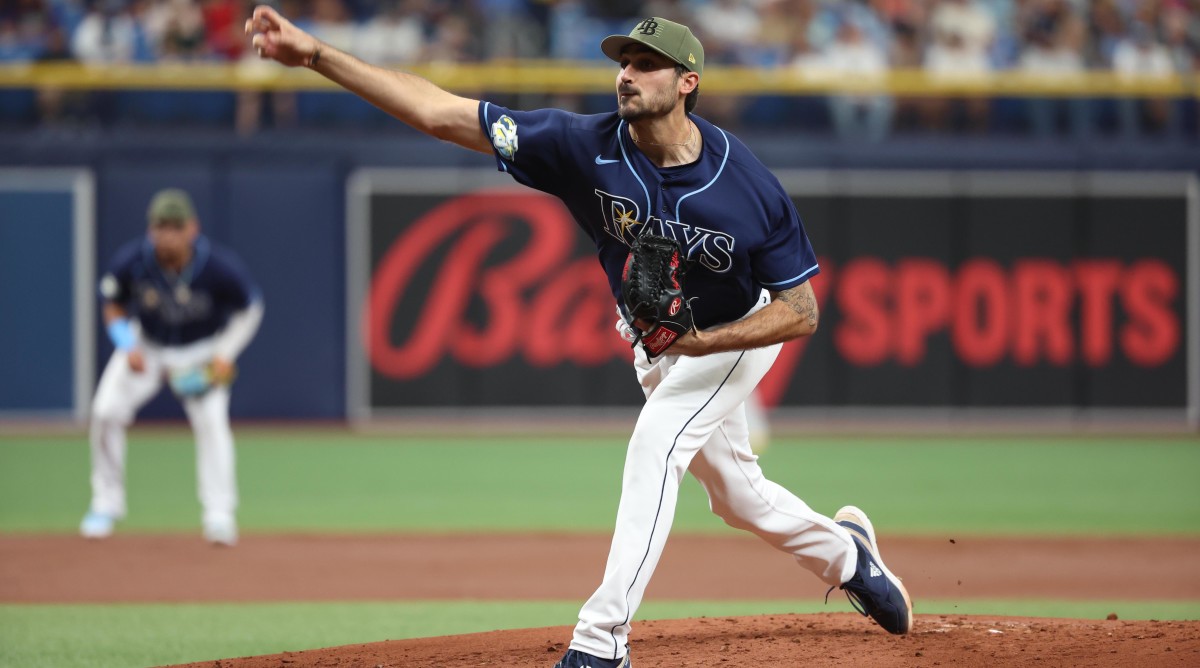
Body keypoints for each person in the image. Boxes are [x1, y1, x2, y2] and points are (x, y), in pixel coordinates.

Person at [246, 11, 912, 666]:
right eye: (623, 62)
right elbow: (439, 113)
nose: (626, 74)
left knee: (658, 440)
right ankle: (849, 554)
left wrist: (705, 344)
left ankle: (602, 640)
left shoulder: (747, 184)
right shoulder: (581, 145)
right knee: (738, 498)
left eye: (645, 65)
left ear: (687, 82)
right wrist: (314, 56)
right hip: (659, 346)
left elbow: (802, 311)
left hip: (736, 331)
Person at [79, 189, 264, 547]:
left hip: (200, 353)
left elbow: (251, 308)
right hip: (146, 348)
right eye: (160, 227)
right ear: (151, 230)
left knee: (213, 426)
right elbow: (113, 304)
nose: (167, 235)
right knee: (105, 412)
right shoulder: (133, 261)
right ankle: (106, 503)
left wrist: (226, 352)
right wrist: (125, 344)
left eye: (175, 227)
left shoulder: (217, 266)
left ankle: (219, 514)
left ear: (192, 229)